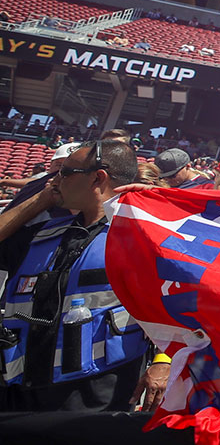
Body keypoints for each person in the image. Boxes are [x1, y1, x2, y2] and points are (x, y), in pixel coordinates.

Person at [0, 140, 162, 412]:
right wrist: (42, 199)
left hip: (95, 397)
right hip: (20, 390)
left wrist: (162, 361)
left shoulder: (143, 239)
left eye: (65, 172)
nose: (55, 179)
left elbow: (180, 305)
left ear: (98, 178)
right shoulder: (44, 234)